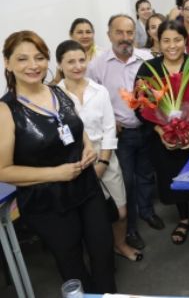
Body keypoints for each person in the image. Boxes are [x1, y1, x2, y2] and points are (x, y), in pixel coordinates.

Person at [0, 31, 116, 293]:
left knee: (103, 250)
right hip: (48, 202)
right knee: (71, 262)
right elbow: (3, 171)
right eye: (22, 59)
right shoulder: (6, 111)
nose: (33, 65)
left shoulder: (58, 91)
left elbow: (76, 128)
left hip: (86, 187)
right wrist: (56, 173)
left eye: (39, 57)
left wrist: (87, 147)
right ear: (7, 63)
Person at [56, 40, 142, 262]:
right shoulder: (54, 95)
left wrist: (103, 163)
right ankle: (97, 254)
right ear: (59, 65)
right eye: (70, 62)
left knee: (120, 211)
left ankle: (120, 244)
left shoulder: (99, 91)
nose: (77, 66)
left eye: (81, 60)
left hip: (105, 154)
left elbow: (109, 129)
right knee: (87, 215)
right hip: (73, 160)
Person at [136, 20, 189, 245]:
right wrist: (163, 132)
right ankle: (184, 219)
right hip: (165, 140)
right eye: (166, 40)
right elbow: (141, 107)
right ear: (158, 42)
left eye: (177, 40)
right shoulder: (149, 69)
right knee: (176, 178)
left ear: (185, 41)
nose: (172, 45)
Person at [87, 14, 164, 251]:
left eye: (129, 33)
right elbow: (92, 100)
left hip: (148, 130)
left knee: (146, 176)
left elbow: (157, 92)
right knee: (126, 181)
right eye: (119, 32)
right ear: (109, 34)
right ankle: (130, 229)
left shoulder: (147, 59)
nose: (125, 38)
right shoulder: (97, 66)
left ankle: (147, 212)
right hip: (121, 135)